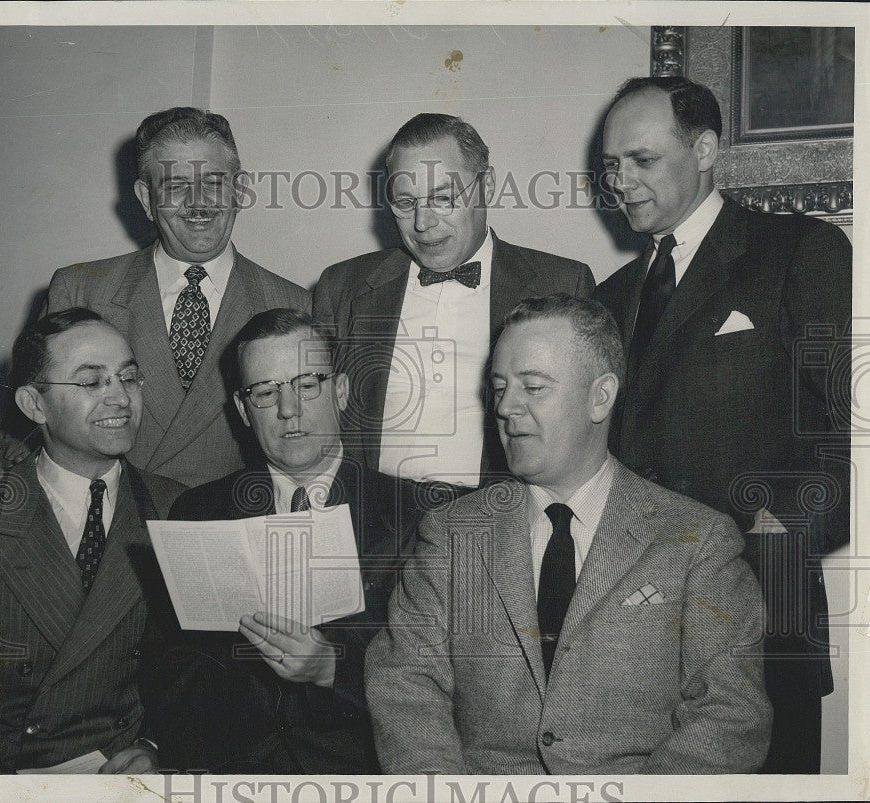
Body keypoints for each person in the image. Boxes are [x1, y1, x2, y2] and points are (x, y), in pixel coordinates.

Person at [365, 294, 771, 774]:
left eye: (533, 387)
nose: (506, 407)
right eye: (499, 388)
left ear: (600, 397)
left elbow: (729, 716)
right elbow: (405, 687)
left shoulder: (698, 542)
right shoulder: (451, 535)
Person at [594, 76, 851, 773]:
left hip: (764, 611)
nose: (620, 181)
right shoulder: (608, 297)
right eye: (611, 166)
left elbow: (853, 439)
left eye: (641, 160)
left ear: (705, 148)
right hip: (637, 632)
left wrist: (772, 535)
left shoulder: (802, 250)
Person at [0, 308, 183, 773]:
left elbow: (193, 676)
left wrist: (156, 747)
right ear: (34, 406)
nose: (121, 398)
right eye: (92, 382)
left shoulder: (178, 508)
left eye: (129, 377)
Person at [149, 308, 423, 773]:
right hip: (227, 774)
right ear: (242, 410)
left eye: (307, 384)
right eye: (265, 392)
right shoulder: (199, 513)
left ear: (340, 392)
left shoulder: (414, 515)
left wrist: (333, 670)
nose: (288, 409)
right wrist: (153, 746)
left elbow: (438, 681)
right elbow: (175, 666)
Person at [0, 107, 309, 488]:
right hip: (106, 527)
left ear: (238, 190)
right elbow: (25, 428)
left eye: (214, 183)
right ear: (145, 197)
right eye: (175, 186)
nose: (198, 203)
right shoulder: (80, 288)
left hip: (226, 526)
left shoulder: (292, 305)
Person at [314, 113, 595, 490]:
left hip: (499, 521)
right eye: (404, 202)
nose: (422, 223)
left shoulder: (561, 283)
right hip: (373, 522)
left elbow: (582, 435)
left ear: (487, 185)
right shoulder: (343, 286)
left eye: (443, 198)